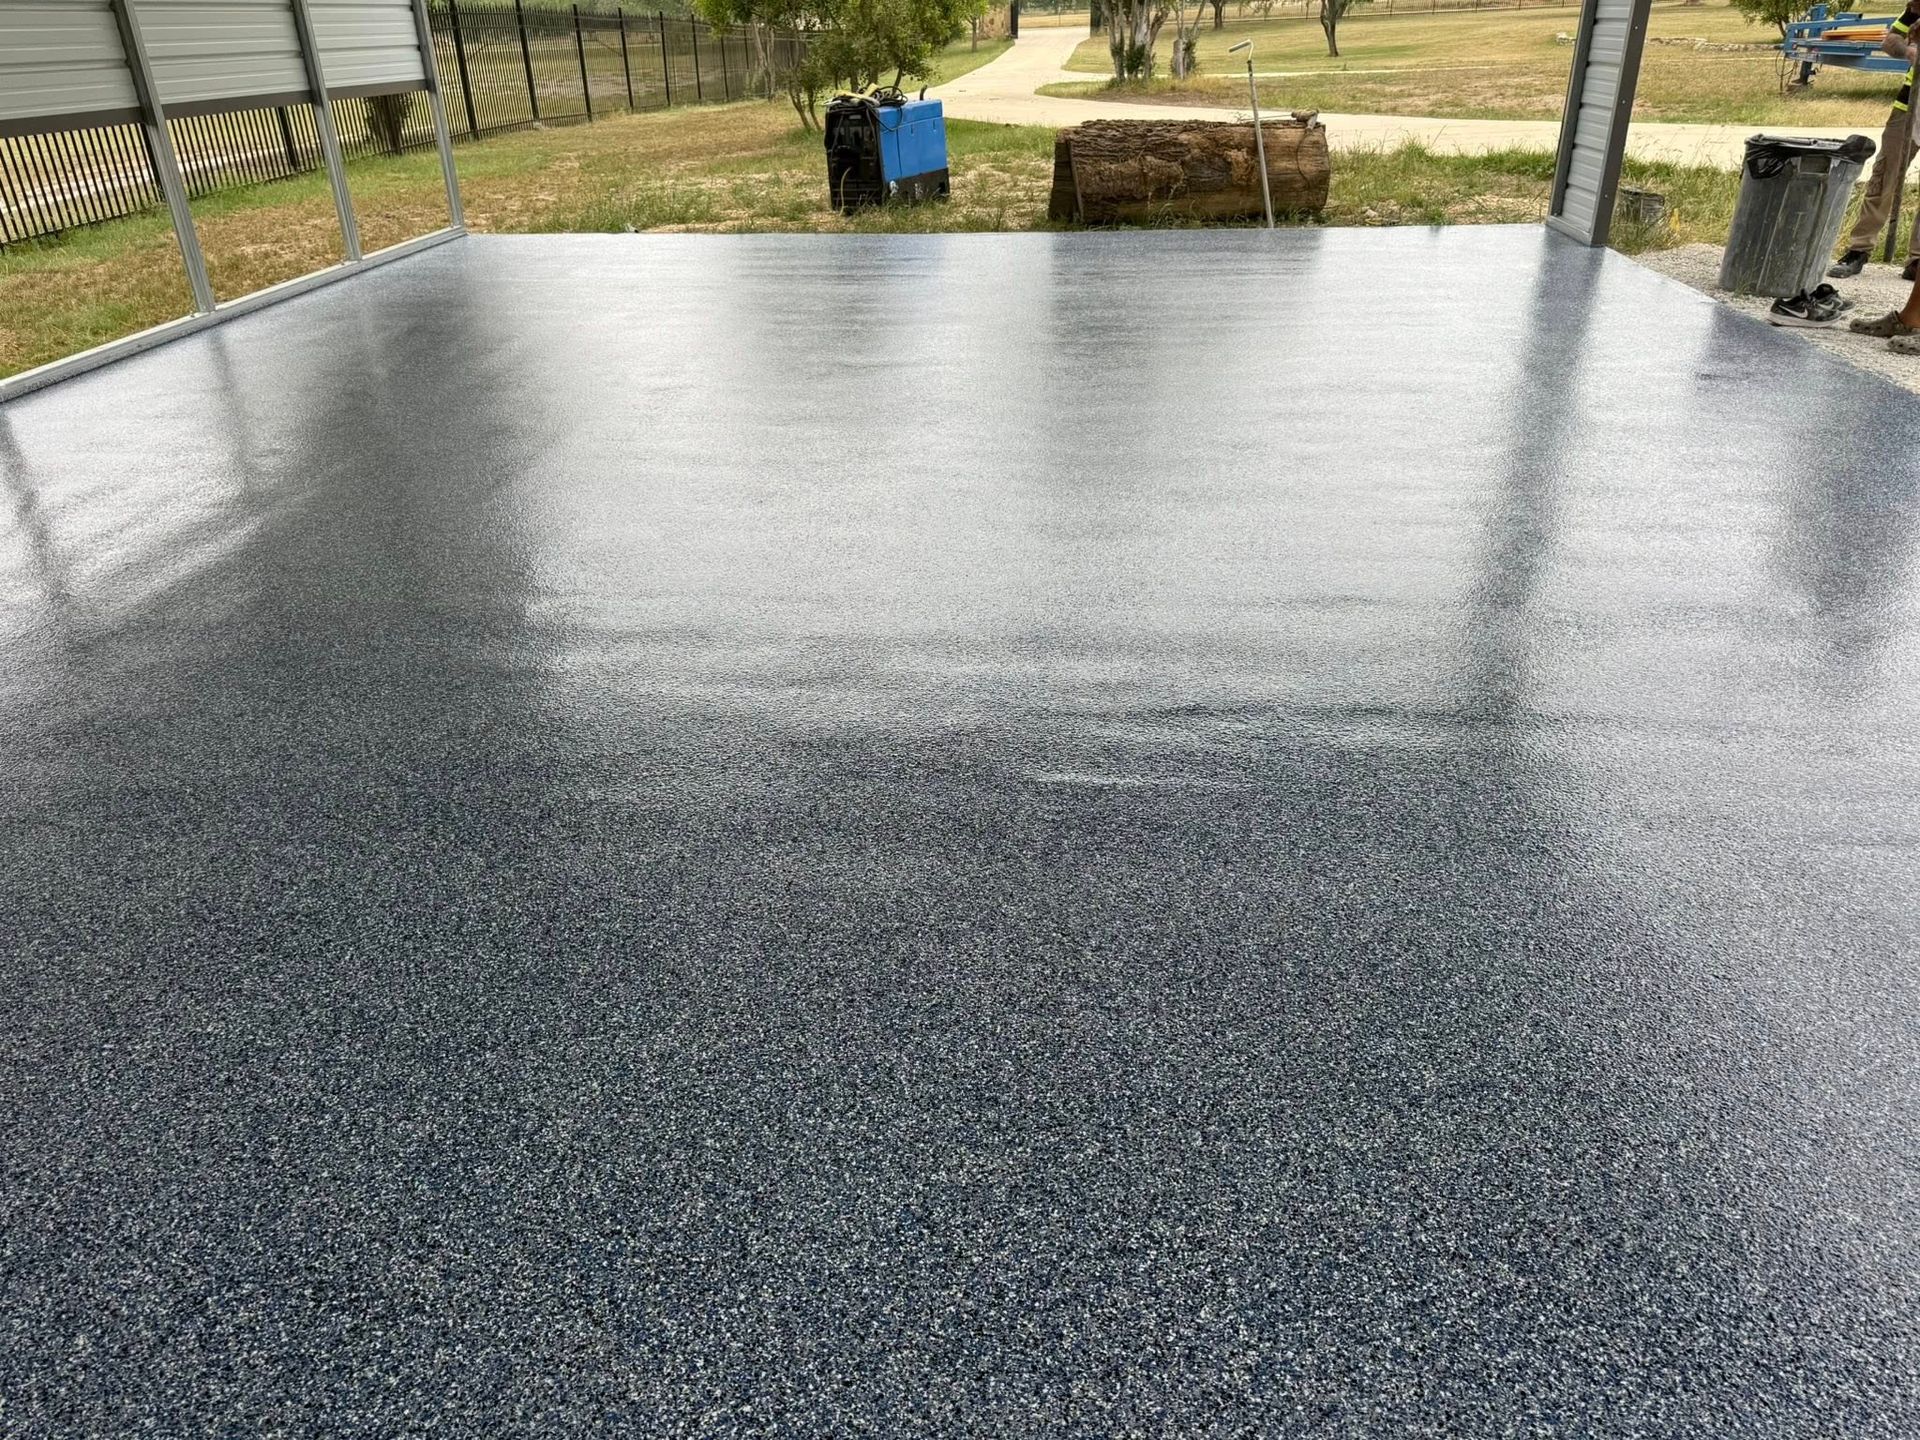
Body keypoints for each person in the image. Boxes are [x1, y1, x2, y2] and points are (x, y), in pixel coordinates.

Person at [1832, 8, 1920, 279]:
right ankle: (1859, 249)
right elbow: (1890, 39)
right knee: (1884, 177)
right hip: (1909, 106)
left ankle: (1917, 261)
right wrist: (1908, 51)